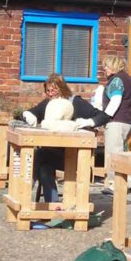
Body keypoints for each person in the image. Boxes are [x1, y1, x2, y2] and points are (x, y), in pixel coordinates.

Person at [22, 74, 110, 202]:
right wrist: (28, 115)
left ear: (62, 89)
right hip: (53, 153)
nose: (50, 94)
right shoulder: (49, 103)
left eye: (54, 90)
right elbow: (33, 111)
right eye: (48, 91)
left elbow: (103, 116)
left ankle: (27, 189)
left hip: (74, 156)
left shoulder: (75, 102)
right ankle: (53, 205)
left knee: (39, 155)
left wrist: (88, 122)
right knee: (43, 167)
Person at [99, 55, 131, 192]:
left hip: (117, 121)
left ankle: (113, 184)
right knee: (121, 152)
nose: (105, 68)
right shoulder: (127, 79)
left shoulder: (117, 80)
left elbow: (115, 100)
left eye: (107, 65)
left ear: (114, 66)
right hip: (127, 120)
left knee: (113, 153)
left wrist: (104, 117)